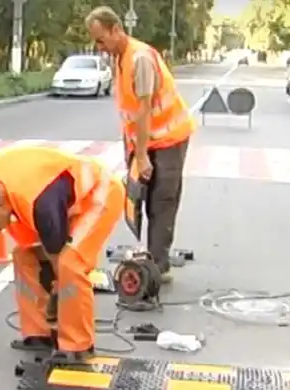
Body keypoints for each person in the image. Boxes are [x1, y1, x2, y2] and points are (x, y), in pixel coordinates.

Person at [0, 145, 124, 361]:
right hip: (65, 201)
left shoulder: (41, 205)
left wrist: (57, 291)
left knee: (69, 263)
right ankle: (38, 333)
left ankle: (78, 346)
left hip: (100, 195)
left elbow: (56, 252)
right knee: (24, 256)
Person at [85, 6, 196, 282]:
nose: (99, 46)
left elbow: (145, 110)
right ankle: (151, 256)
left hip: (169, 139)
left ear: (116, 30)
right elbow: (129, 112)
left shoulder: (140, 58)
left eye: (101, 39)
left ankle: (157, 269)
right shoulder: (119, 58)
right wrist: (132, 152)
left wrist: (143, 156)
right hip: (145, 141)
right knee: (139, 197)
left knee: (161, 200)